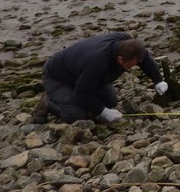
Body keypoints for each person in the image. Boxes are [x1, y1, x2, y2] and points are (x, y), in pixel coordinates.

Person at [31, 32, 168, 124]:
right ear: (120, 60)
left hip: (84, 75)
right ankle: (49, 103)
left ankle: (76, 94)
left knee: (110, 101)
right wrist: (103, 112)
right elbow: (81, 95)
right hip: (58, 78)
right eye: (130, 66)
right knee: (78, 116)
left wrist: (158, 80)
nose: (133, 67)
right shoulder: (96, 63)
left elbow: (144, 58)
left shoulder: (125, 41)